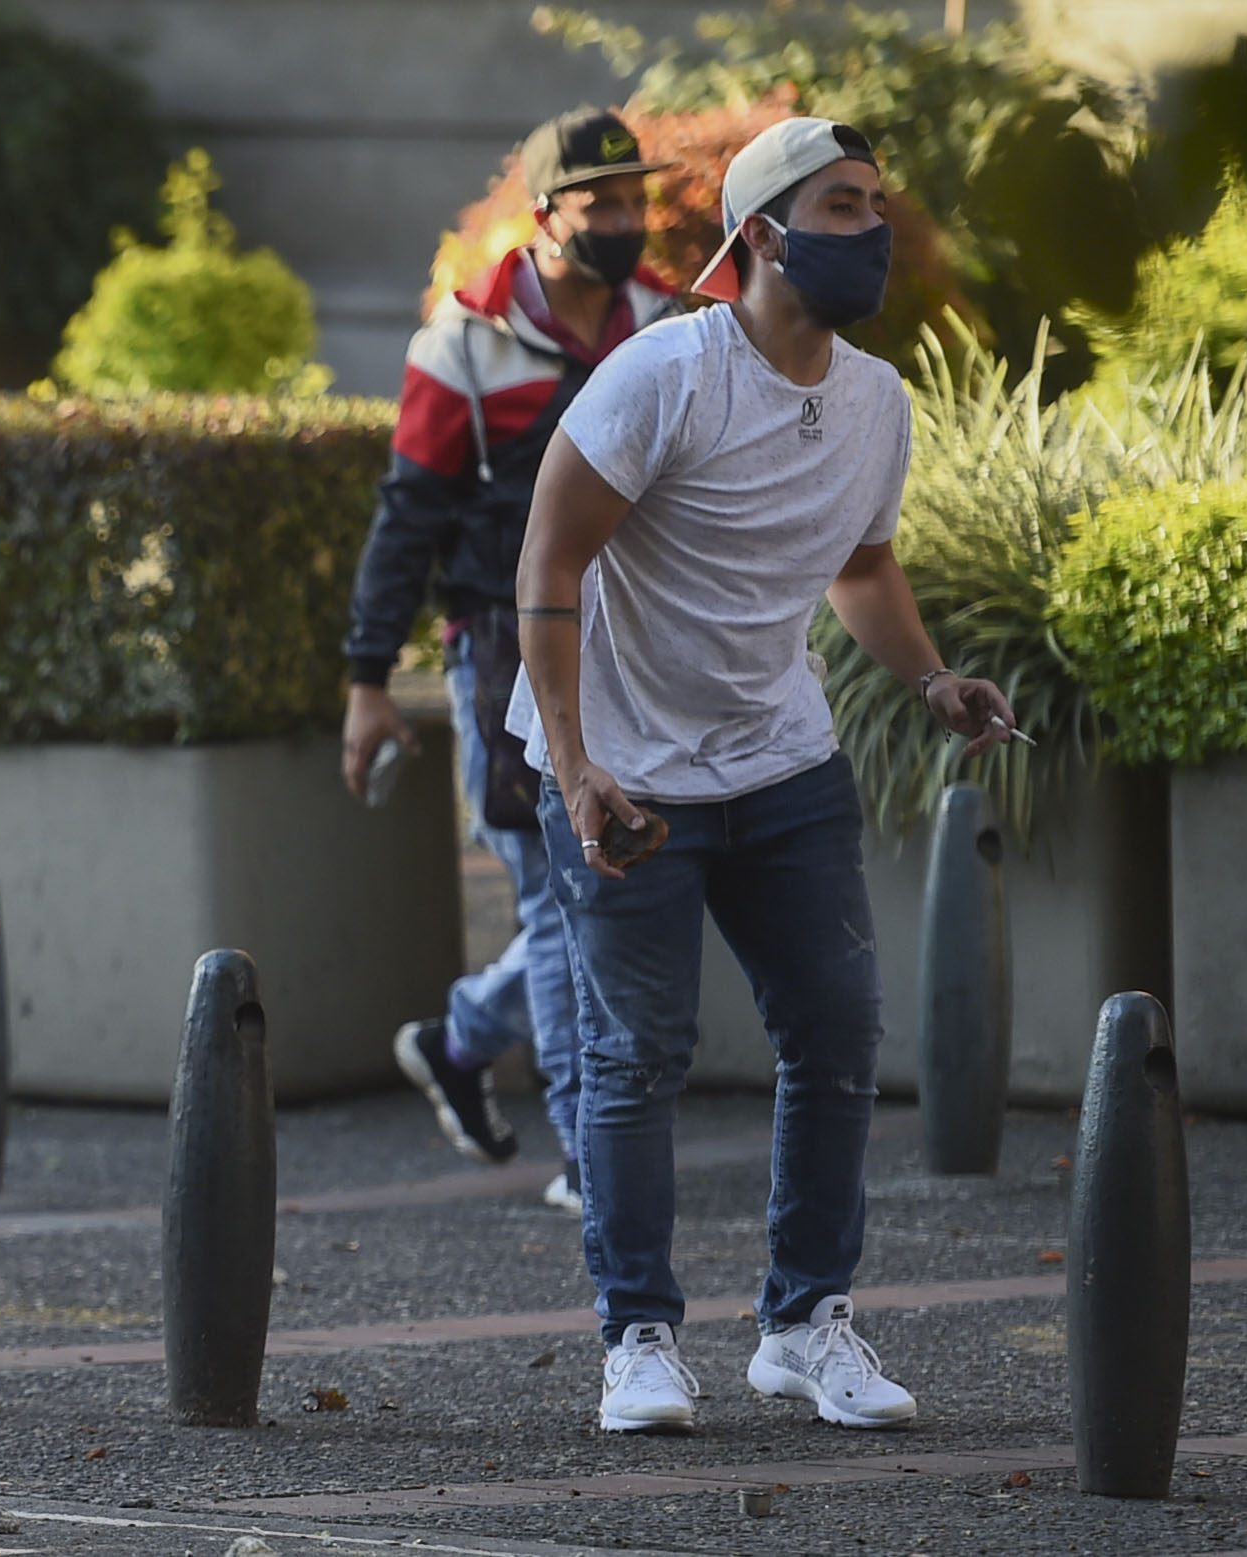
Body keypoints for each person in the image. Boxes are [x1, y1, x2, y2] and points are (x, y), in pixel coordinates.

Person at [507, 118, 1020, 1433]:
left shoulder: (875, 401)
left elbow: (857, 565)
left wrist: (926, 680)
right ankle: (636, 1337)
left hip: (779, 758)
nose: (871, 229)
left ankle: (802, 1322)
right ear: (757, 238)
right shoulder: (658, 378)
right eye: (838, 205)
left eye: (873, 203)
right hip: (623, 769)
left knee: (836, 1030)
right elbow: (547, 567)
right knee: (634, 1055)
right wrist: (571, 768)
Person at [341, 109, 679, 1208]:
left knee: (607, 884)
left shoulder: (665, 322)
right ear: (543, 215)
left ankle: (461, 1038)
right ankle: (592, 1157)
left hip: (632, 645)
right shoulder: (463, 343)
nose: (626, 221)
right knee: (550, 896)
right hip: (498, 650)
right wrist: (364, 682)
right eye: (601, 204)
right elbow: (407, 516)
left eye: (636, 201)